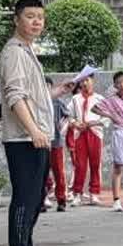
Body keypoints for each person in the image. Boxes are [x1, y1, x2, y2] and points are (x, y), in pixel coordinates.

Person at [0, 0, 73, 246]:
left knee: (36, 196)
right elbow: (15, 96)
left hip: (36, 136)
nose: (37, 21)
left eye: (40, 16)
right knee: (25, 198)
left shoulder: (27, 51)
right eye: (30, 16)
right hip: (24, 139)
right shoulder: (14, 53)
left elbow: (33, 96)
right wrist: (34, 130)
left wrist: (57, 92)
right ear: (17, 20)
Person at [98, 72, 123, 213]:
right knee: (118, 167)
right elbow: (95, 108)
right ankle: (116, 200)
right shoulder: (112, 99)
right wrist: (110, 115)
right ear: (115, 85)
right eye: (118, 82)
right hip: (120, 132)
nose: (122, 85)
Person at [69, 74, 107, 205]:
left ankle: (94, 193)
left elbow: (106, 117)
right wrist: (75, 123)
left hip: (94, 133)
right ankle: (77, 193)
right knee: (80, 165)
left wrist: (94, 123)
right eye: (82, 81)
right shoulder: (75, 99)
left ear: (92, 81)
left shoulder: (99, 99)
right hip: (80, 133)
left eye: (87, 80)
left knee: (95, 164)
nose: (84, 83)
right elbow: (69, 116)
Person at [43, 76, 70, 212]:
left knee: (58, 172)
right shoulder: (37, 104)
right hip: (42, 143)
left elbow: (67, 117)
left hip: (56, 143)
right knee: (42, 173)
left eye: (48, 87)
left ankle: (61, 200)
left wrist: (63, 127)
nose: (45, 90)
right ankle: (42, 199)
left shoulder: (58, 103)